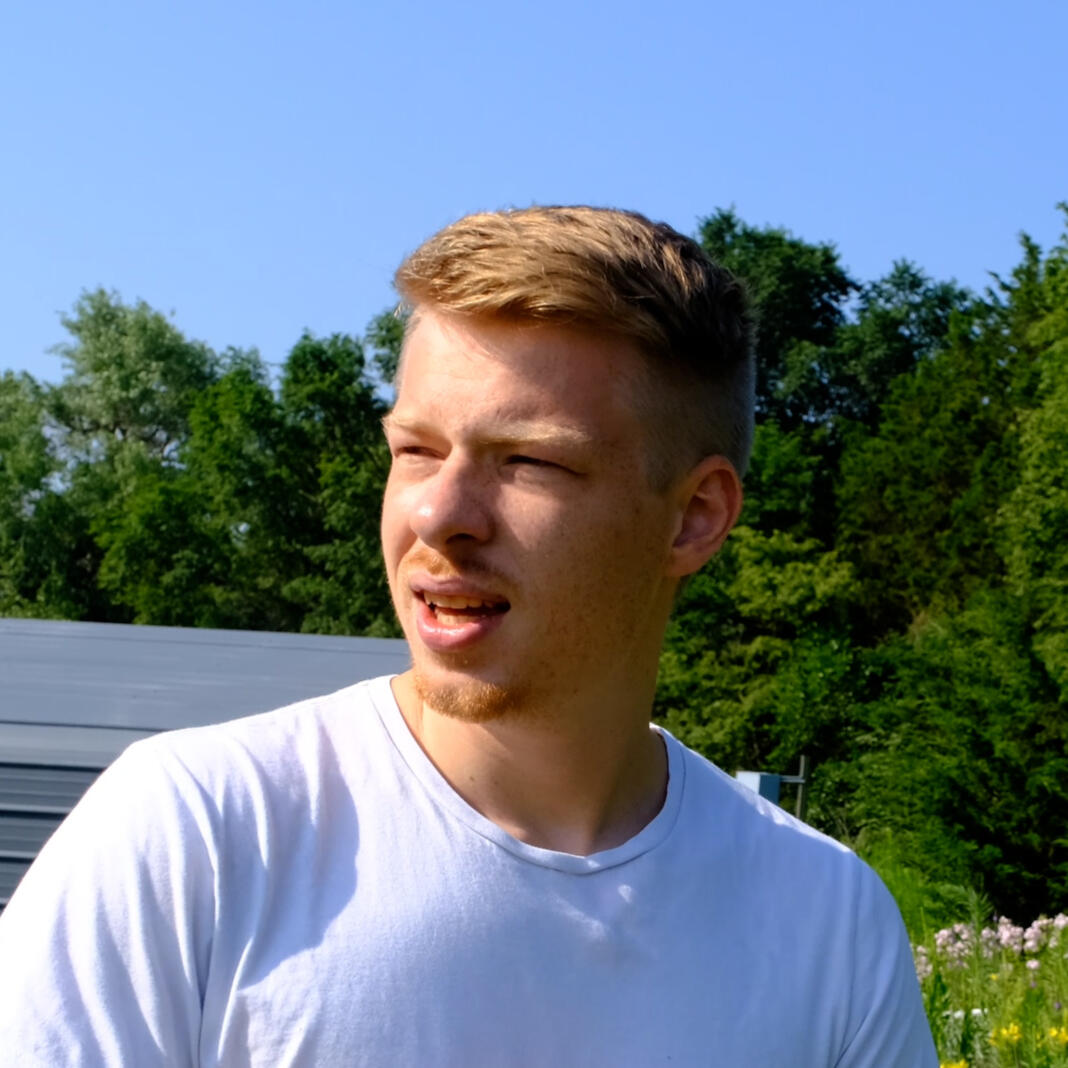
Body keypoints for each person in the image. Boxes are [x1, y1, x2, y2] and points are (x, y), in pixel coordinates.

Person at [0, 206, 937, 1065]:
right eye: (415, 450)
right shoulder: (196, 835)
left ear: (694, 517)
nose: (438, 514)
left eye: (528, 461)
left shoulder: (827, 925)